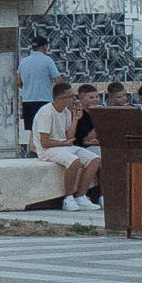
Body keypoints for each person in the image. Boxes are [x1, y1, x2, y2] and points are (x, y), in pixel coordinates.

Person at [30, 83, 101, 211]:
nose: (74, 100)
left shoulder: (67, 112)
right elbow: (44, 142)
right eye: (71, 97)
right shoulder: (46, 112)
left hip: (63, 146)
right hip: (47, 150)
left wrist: (75, 119)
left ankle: (81, 196)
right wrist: (64, 144)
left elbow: (69, 136)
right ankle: (68, 198)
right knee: (74, 161)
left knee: (94, 159)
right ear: (61, 98)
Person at [17, 42, 60, 149]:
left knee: (32, 130)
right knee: (45, 130)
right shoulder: (47, 60)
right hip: (44, 100)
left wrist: (28, 89)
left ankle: (32, 152)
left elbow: (18, 82)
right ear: (44, 47)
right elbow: (58, 79)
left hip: (28, 101)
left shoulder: (24, 61)